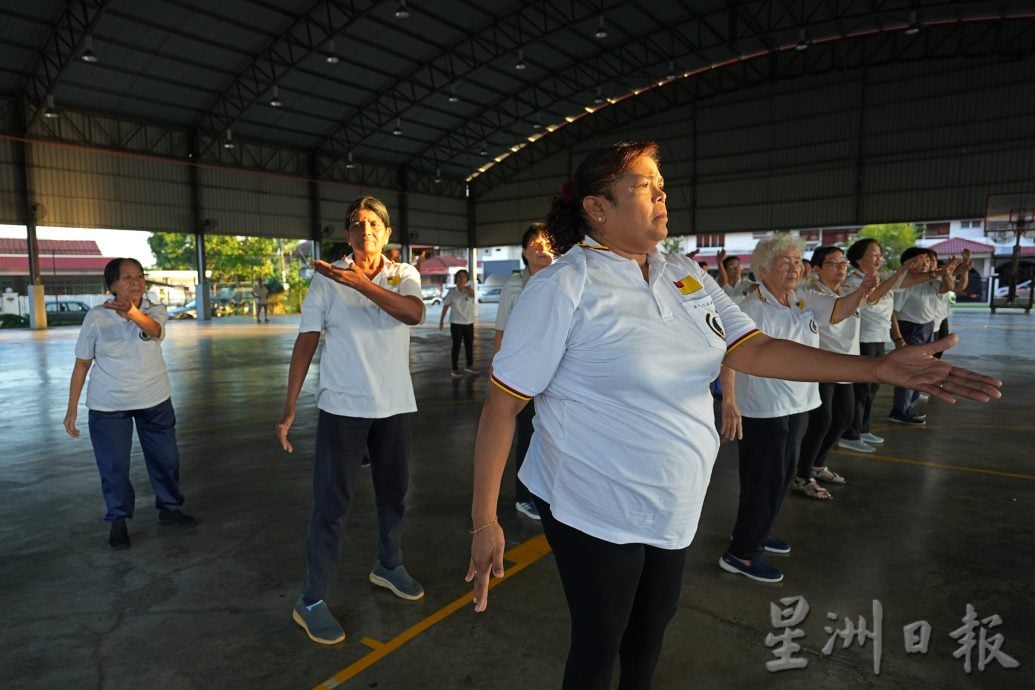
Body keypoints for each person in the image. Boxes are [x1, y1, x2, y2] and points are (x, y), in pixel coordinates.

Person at [466, 141, 1000, 690]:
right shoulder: (564, 286)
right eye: (644, 186)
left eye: (662, 186)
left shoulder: (682, 273)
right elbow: (503, 405)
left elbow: (752, 349)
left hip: (672, 497)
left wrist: (878, 369)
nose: (661, 195)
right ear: (597, 208)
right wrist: (486, 520)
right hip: (594, 501)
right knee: (601, 640)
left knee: (650, 632)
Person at [277, 196, 425, 646]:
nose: (366, 232)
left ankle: (388, 563)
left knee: (394, 495)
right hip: (343, 408)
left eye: (374, 224)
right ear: (347, 234)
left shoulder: (404, 274)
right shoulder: (326, 280)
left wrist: (362, 284)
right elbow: (305, 343)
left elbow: (413, 313)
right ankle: (312, 599)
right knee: (331, 507)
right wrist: (289, 407)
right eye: (357, 225)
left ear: (387, 231)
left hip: (394, 405)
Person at [63, 257, 195, 549]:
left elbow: (155, 331)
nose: (135, 282)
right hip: (108, 405)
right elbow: (83, 363)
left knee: (167, 459)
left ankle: (170, 509)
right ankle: (118, 520)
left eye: (139, 276)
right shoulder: (96, 317)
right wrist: (71, 408)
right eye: (127, 278)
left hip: (154, 399)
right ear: (112, 285)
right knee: (114, 466)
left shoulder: (154, 309)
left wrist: (133, 311)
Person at [717, 235, 825, 582]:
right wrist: (730, 401)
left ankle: (758, 533)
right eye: (785, 261)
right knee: (762, 480)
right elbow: (729, 354)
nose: (795, 266)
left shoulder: (799, 300)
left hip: (796, 401)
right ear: (763, 269)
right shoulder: (750, 308)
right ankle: (741, 554)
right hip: (763, 407)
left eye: (797, 260)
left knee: (781, 475)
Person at [792, 246, 876, 498]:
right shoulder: (808, 294)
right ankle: (802, 475)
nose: (841, 268)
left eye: (843, 263)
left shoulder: (849, 290)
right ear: (816, 268)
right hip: (823, 365)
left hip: (847, 365)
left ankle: (817, 464)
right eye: (833, 263)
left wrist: (886, 279)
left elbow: (875, 295)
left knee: (845, 418)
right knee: (822, 421)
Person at [839, 239, 929, 450]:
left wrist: (939, 272)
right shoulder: (853, 282)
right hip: (862, 339)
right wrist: (903, 269)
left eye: (880, 254)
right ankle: (849, 434)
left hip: (879, 338)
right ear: (859, 259)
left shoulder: (881, 278)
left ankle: (863, 428)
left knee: (872, 388)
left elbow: (908, 282)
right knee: (860, 389)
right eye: (874, 254)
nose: (879, 258)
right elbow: (872, 297)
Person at [493, 222, 554, 521]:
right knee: (527, 434)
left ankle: (547, 492)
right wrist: (497, 378)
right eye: (535, 244)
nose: (542, 248)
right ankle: (523, 496)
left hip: (557, 373)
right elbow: (501, 333)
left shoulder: (564, 281)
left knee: (553, 433)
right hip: (524, 373)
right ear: (524, 253)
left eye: (547, 243)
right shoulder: (514, 286)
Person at [889, 247, 961, 425]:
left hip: (927, 329)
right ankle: (900, 409)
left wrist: (945, 272)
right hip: (911, 329)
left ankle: (910, 406)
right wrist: (899, 339)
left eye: (928, 261)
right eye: (921, 261)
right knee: (909, 370)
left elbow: (949, 286)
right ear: (908, 264)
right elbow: (893, 313)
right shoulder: (905, 285)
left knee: (921, 370)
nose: (926, 264)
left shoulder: (930, 282)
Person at [439, 269, 477, 377]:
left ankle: (469, 365)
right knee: (456, 346)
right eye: (460, 276)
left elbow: (473, 295)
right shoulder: (451, 292)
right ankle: (454, 368)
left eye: (464, 277)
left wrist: (468, 288)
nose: (462, 279)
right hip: (456, 323)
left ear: (466, 279)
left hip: (469, 322)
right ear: (456, 278)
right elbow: (446, 306)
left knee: (469, 345)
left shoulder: (469, 290)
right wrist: (441, 321)